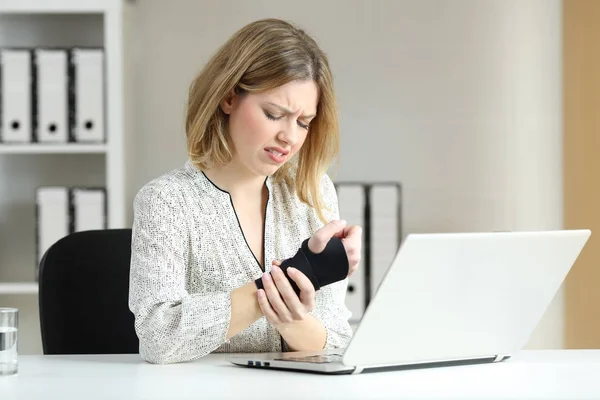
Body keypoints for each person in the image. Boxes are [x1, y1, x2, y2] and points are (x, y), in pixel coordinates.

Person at [128, 18, 362, 364]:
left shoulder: (312, 192)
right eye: (274, 114)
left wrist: (292, 307)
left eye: (303, 122)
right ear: (228, 98)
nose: (290, 137)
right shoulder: (166, 202)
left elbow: (336, 341)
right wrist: (296, 276)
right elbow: (158, 338)